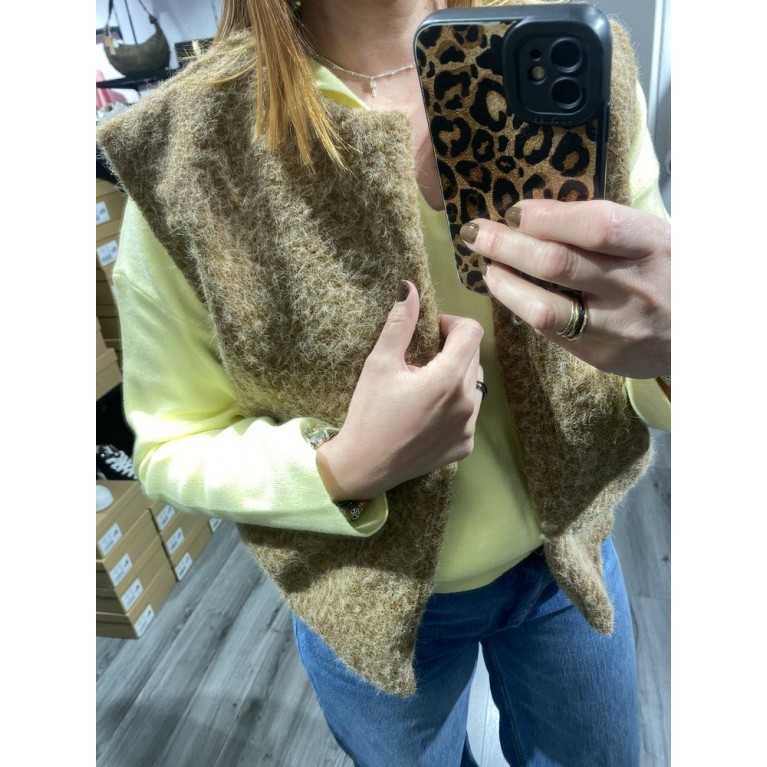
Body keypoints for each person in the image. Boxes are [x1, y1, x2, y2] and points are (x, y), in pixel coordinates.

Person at [99, 1, 670, 765]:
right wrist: (342, 467)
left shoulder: (579, 64)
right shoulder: (186, 149)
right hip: (366, 595)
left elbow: (645, 335)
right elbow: (170, 444)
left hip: (568, 559)